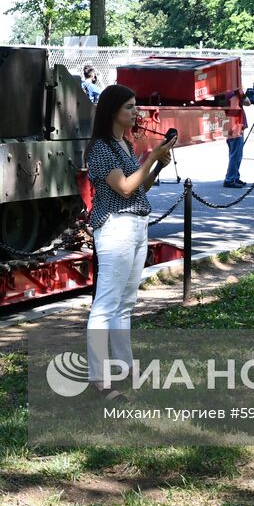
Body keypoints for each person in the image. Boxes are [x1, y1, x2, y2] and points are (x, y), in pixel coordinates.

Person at [84, 84, 175, 399]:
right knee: (106, 303)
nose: (136, 112)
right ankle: (98, 377)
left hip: (135, 225)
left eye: (136, 106)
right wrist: (151, 158)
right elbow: (123, 187)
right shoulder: (101, 149)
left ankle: (124, 367)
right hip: (115, 228)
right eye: (130, 107)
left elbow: (138, 189)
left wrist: (158, 164)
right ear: (113, 111)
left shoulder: (123, 144)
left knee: (125, 303)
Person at [223, 87, 249, 188]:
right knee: (236, 155)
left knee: (235, 154)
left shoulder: (228, 91)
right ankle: (230, 179)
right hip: (235, 126)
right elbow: (247, 102)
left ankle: (235, 177)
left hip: (232, 125)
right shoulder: (233, 91)